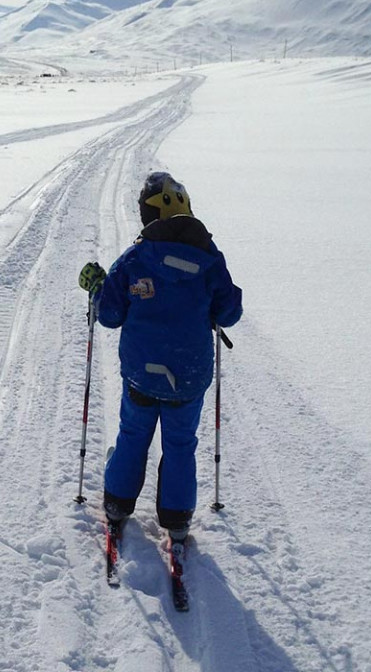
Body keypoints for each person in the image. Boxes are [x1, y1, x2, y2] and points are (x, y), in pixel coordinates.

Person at [78, 171, 242, 547]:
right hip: (189, 375)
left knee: (133, 434)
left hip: (142, 372)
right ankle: (177, 519)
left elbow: (110, 315)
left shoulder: (136, 258)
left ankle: (117, 504)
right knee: (181, 443)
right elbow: (229, 313)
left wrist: (98, 287)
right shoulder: (209, 258)